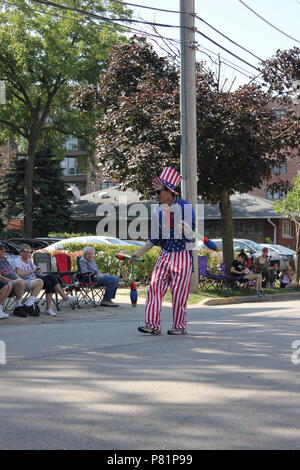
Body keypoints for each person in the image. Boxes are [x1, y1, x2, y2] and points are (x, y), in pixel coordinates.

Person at [131, 167, 195, 335]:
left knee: (179, 294)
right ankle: (152, 325)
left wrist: (185, 229)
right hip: (165, 254)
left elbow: (191, 237)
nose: (156, 196)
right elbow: (155, 237)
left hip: (182, 254)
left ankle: (179, 326)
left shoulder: (186, 208)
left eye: (159, 192)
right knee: (154, 287)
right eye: (156, 193)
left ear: (170, 192)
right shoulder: (158, 211)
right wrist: (138, 252)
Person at [15, 244, 78, 316]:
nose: (28, 253)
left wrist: (39, 272)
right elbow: (20, 274)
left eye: (29, 251)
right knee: (51, 277)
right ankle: (65, 298)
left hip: (36, 280)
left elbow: (37, 272)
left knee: (50, 283)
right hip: (26, 282)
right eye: (26, 251)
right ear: (21, 253)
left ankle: (48, 308)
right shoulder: (18, 261)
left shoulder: (29, 261)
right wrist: (33, 271)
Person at [0, 243, 42, 317]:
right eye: (1, 250)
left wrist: (18, 278)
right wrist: (11, 280)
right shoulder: (17, 261)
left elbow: (13, 272)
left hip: (18, 281)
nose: (3, 251)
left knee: (42, 281)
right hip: (9, 282)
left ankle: (27, 305)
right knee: (20, 281)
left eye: (3, 249)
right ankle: (18, 306)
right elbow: (1, 276)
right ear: (21, 252)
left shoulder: (4, 259)